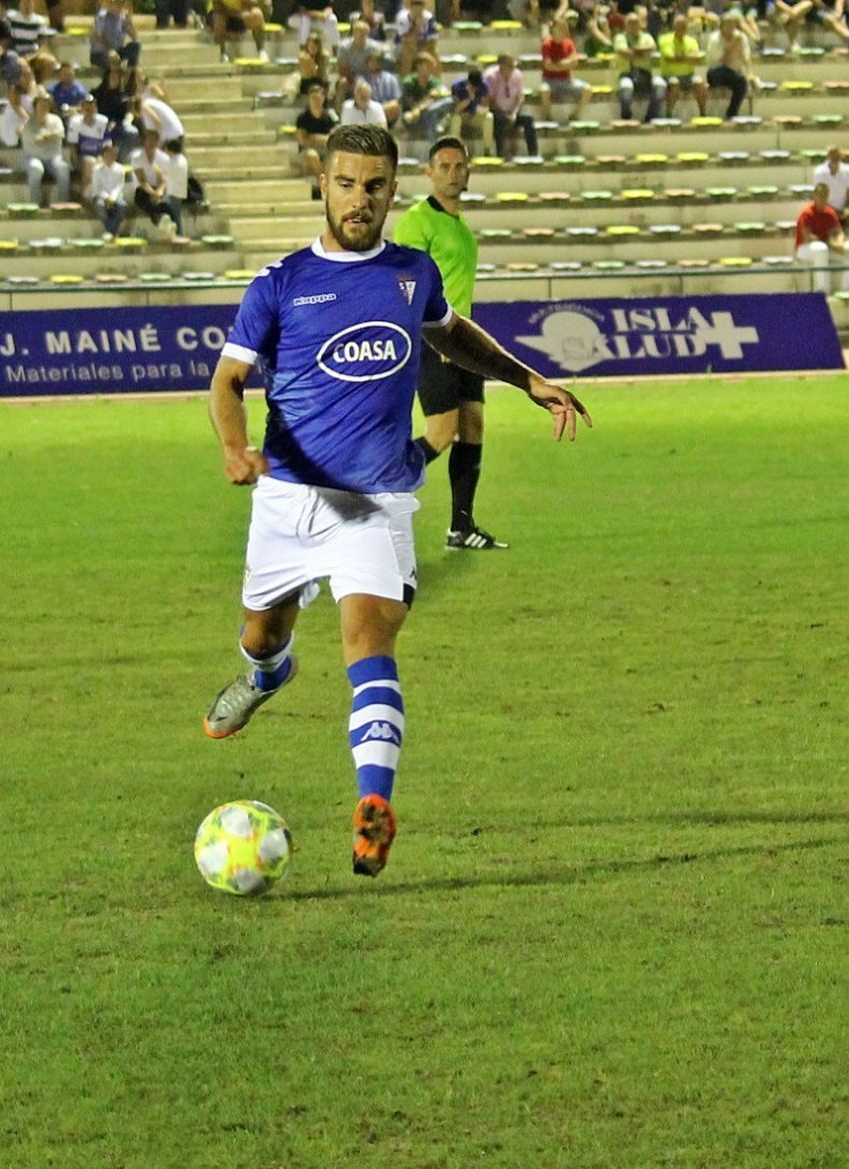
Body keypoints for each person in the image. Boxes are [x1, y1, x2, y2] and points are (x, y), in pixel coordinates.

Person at [201, 123, 590, 878]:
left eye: (375, 185)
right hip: (286, 497)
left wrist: (525, 377)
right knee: (261, 634)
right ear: (323, 183)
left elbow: (454, 339)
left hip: (374, 502)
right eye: (346, 183)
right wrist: (233, 448)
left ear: (391, 189)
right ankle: (267, 675)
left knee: (368, 641)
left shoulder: (411, 272)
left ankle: (372, 807)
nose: (360, 199)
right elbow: (226, 381)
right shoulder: (278, 282)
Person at [393, 136, 507, 548]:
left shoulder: (458, 225)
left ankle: (461, 526)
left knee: (473, 427)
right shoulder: (417, 221)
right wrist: (429, 331)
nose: (453, 173)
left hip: (464, 342)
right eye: (444, 166)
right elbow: (404, 283)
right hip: (434, 338)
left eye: (460, 166)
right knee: (441, 432)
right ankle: (378, 487)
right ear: (429, 172)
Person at [793, 181, 849, 294]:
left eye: (825, 195)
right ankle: (823, 291)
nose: (822, 198)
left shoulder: (830, 212)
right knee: (820, 249)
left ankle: (847, 289)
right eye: (820, 195)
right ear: (814, 197)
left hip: (828, 246)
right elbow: (808, 237)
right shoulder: (806, 213)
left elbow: (839, 232)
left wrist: (839, 243)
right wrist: (831, 244)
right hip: (805, 248)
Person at [614, 4, 665, 122]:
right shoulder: (620, 37)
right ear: (626, 25)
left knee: (660, 85)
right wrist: (642, 52)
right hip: (627, 74)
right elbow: (623, 52)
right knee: (626, 87)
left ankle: (650, 117)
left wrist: (634, 51)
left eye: (636, 23)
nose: (633, 26)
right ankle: (626, 117)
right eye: (630, 23)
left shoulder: (647, 36)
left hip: (646, 75)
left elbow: (652, 47)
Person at [538, 16, 590, 122]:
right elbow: (548, 66)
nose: (564, 30)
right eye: (561, 28)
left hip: (566, 80)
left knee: (587, 89)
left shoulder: (569, 43)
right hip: (549, 80)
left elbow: (574, 62)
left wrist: (557, 64)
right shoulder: (547, 44)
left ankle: (574, 115)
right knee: (544, 91)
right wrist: (566, 63)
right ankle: (548, 117)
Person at [483, 53, 536, 158]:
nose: (512, 68)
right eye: (509, 66)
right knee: (500, 120)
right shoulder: (491, 77)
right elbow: (490, 101)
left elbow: (520, 97)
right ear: (501, 65)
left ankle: (533, 153)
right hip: (496, 111)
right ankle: (500, 153)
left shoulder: (517, 75)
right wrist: (504, 114)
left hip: (512, 111)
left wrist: (514, 113)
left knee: (528, 120)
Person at [656, 11, 707, 118]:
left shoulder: (692, 41)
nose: (682, 28)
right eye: (679, 26)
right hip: (669, 75)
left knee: (700, 83)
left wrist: (679, 57)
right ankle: (669, 114)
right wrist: (687, 57)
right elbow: (669, 59)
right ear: (674, 26)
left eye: (684, 26)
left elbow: (696, 59)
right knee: (675, 83)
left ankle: (703, 113)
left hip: (689, 75)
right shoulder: (665, 39)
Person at [812, 145, 849, 241]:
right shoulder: (819, 172)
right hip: (825, 210)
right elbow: (819, 195)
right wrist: (832, 210)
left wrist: (846, 208)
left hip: (843, 209)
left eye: (836, 155)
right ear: (828, 156)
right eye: (832, 155)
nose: (834, 158)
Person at [294, 81, 336, 196]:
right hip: (307, 151)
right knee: (311, 155)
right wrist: (321, 139)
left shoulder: (329, 117)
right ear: (309, 99)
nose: (316, 101)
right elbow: (303, 140)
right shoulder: (302, 118)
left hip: (325, 150)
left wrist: (313, 137)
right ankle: (325, 183)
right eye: (313, 98)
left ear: (323, 98)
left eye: (319, 97)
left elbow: (333, 139)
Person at [86, 138, 129, 239]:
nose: (110, 157)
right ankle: (112, 231)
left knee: (122, 206)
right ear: (103, 156)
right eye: (107, 154)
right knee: (100, 206)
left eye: (112, 155)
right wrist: (106, 198)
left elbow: (119, 185)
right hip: (100, 195)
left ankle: (110, 231)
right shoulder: (97, 169)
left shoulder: (120, 169)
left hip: (115, 195)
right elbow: (97, 188)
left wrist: (112, 198)